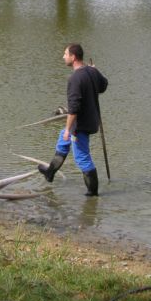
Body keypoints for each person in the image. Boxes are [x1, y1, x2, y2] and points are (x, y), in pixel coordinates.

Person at [38, 43, 108, 196]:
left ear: (73, 57)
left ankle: (92, 194)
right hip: (90, 120)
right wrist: (95, 71)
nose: (63, 57)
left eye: (65, 54)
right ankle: (50, 172)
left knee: (82, 158)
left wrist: (68, 130)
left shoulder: (75, 78)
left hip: (80, 125)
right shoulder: (92, 71)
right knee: (62, 141)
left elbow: (74, 108)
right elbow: (104, 86)